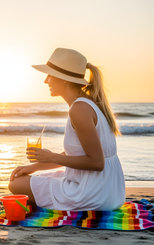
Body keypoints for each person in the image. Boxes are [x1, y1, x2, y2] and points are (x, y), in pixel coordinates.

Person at [8, 48, 125, 211]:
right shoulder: (87, 103)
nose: (45, 81)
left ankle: (48, 203)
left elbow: (96, 162)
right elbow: (80, 155)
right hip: (109, 190)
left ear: (63, 79)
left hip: (93, 192)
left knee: (15, 184)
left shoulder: (79, 110)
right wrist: (34, 167)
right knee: (27, 178)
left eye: (49, 75)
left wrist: (51, 156)